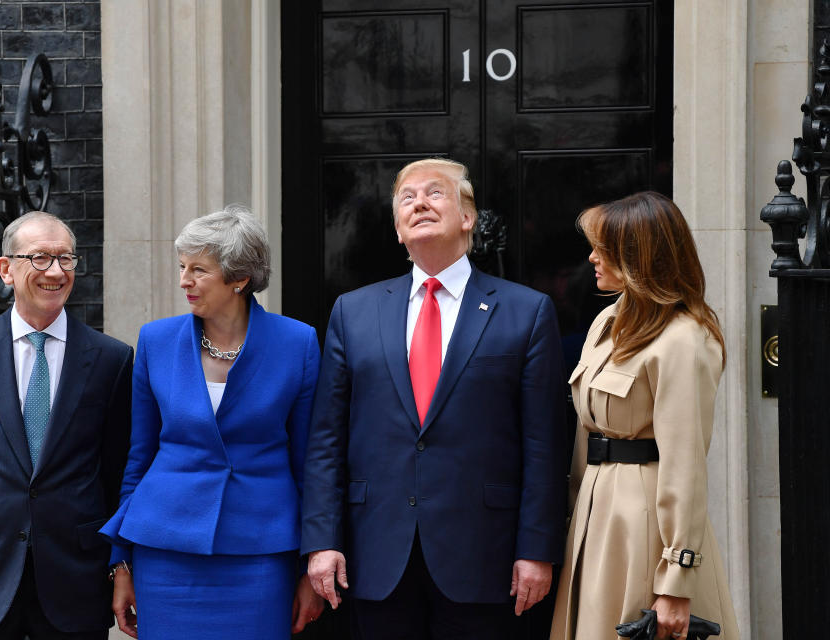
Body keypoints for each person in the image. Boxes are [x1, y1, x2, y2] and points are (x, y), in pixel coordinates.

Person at [301, 157, 569, 639]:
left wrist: (537, 548)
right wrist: (321, 541)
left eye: (435, 192)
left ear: (467, 217)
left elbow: (544, 444)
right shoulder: (353, 312)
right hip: (375, 556)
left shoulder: (526, 312)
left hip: (486, 558)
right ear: (398, 230)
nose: (420, 202)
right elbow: (326, 439)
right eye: (407, 197)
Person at [99, 205, 325, 639]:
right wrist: (121, 562)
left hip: (260, 552)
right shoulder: (155, 341)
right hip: (164, 552)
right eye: (182, 266)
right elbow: (139, 456)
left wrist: (308, 564)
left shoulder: (297, 343)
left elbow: (308, 464)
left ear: (239, 277)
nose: (184, 280)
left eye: (198, 269)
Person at [0, 211, 134, 639]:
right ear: (6, 269)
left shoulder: (111, 360)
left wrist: (118, 563)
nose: (55, 271)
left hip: (73, 578)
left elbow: (116, 470)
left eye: (66, 259)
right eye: (40, 259)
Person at [549, 192, 739, 640]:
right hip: (594, 516)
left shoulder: (683, 339)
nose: (591, 257)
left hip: (644, 523)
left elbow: (686, 463)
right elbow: (585, 433)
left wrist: (677, 579)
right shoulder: (606, 323)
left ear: (638, 256)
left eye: (603, 248)